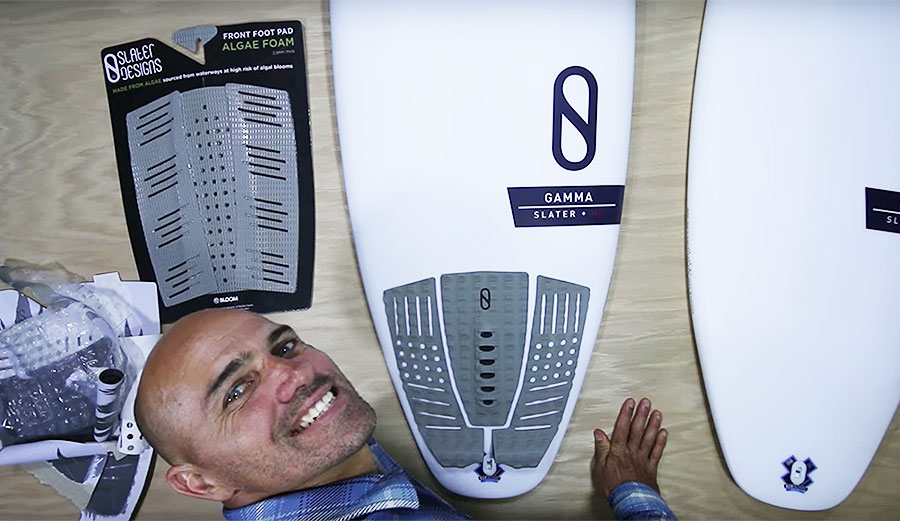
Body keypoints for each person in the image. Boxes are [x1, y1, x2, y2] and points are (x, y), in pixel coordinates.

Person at [136, 309, 674, 520]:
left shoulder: (312, 461)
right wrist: (636, 497)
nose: (295, 374)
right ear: (199, 483)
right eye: (236, 391)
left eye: (284, 346)